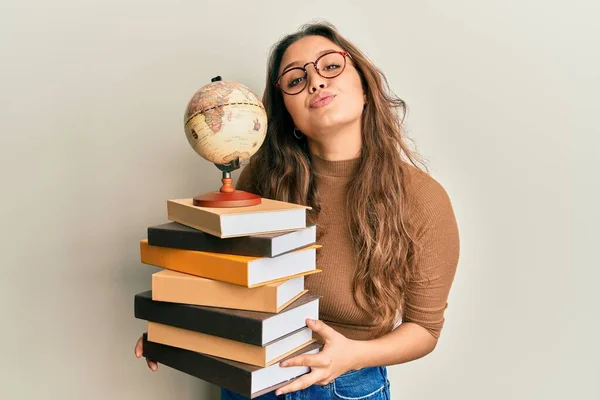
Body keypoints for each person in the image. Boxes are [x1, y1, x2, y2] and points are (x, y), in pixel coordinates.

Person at [134, 21, 460, 400]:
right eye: (295, 80)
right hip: (250, 380)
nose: (316, 82)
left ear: (365, 88)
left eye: (331, 66)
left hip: (346, 387)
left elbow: (425, 330)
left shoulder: (423, 198)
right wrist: (177, 326)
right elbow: (231, 283)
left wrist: (352, 356)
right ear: (288, 114)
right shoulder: (262, 178)